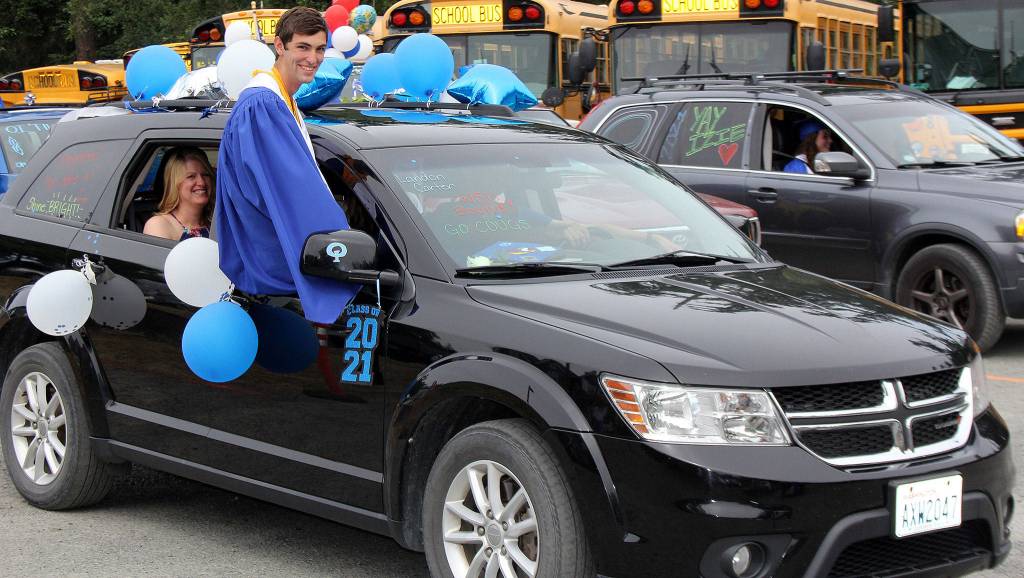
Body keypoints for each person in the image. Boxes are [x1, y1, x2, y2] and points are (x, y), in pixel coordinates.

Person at [215, 7, 358, 325]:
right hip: (269, 270)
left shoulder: (282, 101)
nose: (314, 58)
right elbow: (296, 196)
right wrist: (343, 251)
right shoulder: (262, 105)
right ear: (279, 46)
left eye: (320, 48)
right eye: (303, 47)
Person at [143, 147, 215, 241]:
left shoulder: (217, 223)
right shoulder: (159, 225)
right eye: (191, 176)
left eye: (206, 174)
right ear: (174, 184)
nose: (201, 182)